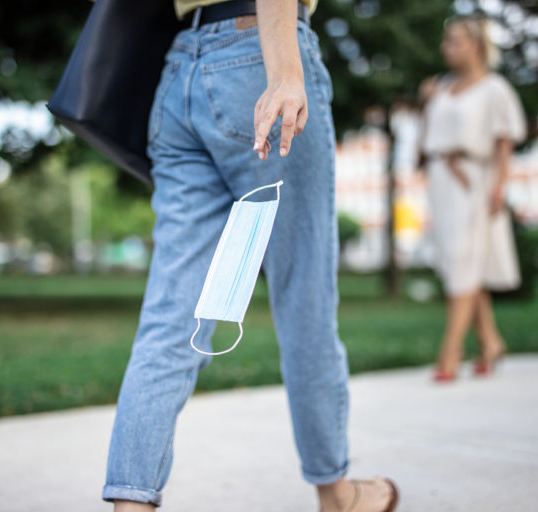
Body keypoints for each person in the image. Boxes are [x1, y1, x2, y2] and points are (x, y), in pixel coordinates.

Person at [101, 1, 400, 510]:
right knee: (303, 297)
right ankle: (337, 495)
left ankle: (131, 507)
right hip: (257, 53)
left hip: (177, 79)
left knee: (170, 317)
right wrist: (286, 72)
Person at [418, 14, 527, 383]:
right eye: (445, 41)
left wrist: (499, 187)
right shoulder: (439, 88)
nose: (445, 48)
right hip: (441, 180)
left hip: (474, 180)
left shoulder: (495, 88)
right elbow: (425, 142)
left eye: (454, 41)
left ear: (476, 45)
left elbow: (505, 141)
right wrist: (424, 106)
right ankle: (491, 342)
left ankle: (450, 352)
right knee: (458, 262)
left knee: (465, 260)